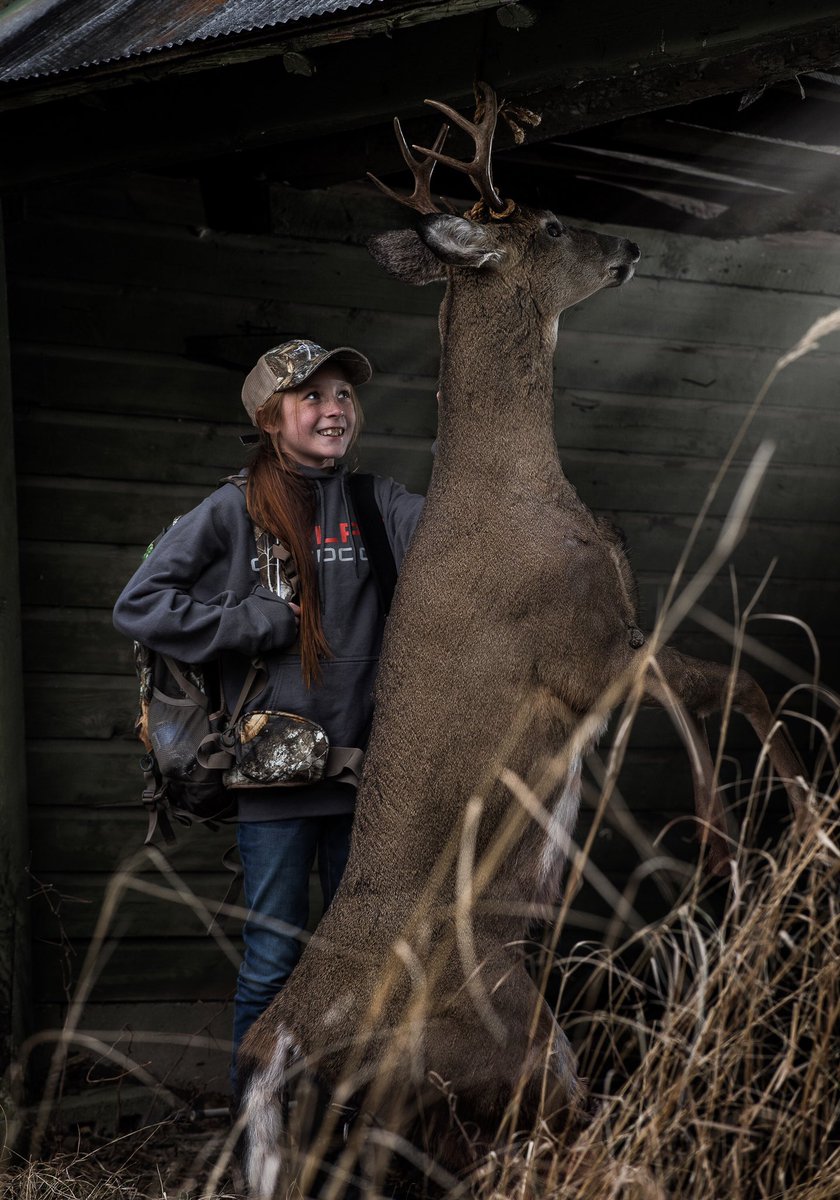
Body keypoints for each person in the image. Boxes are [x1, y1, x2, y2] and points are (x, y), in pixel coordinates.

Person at [112, 338, 424, 1080]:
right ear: (269, 415)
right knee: (273, 963)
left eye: (343, 395)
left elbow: (461, 541)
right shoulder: (233, 509)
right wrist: (250, 621)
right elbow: (139, 604)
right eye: (311, 396)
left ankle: (342, 1139)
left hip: (367, 785)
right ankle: (258, 1148)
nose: (333, 409)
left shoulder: (379, 504)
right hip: (275, 784)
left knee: (364, 963)